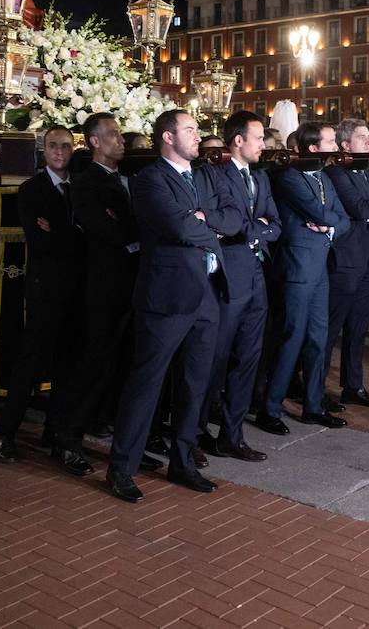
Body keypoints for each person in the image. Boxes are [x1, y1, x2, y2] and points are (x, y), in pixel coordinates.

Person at [105, 110, 224, 503]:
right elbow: (178, 227)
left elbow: (233, 215)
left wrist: (203, 220)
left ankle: (183, 461)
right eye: (189, 130)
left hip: (207, 292)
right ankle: (122, 468)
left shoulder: (203, 175)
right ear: (168, 138)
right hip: (167, 296)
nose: (197, 136)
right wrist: (205, 223)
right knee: (146, 383)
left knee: (195, 383)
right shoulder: (150, 180)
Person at [53, 113, 139, 477]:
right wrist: (132, 233)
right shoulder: (86, 184)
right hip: (103, 288)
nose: (121, 140)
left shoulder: (130, 178)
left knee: (122, 366)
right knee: (92, 365)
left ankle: (113, 434)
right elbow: (108, 231)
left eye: (120, 134)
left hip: (132, 285)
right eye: (113, 134)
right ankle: (67, 442)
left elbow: (132, 224)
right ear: (94, 142)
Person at [0, 126, 84, 464]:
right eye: (52, 146)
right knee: (31, 361)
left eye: (65, 146)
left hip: (76, 289)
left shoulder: (79, 186)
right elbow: (41, 241)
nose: (59, 152)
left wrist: (64, 232)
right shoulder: (32, 189)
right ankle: (6, 433)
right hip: (45, 289)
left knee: (67, 363)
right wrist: (75, 234)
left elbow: (89, 236)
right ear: (43, 151)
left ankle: (55, 429)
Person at [197, 111, 280, 462]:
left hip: (257, 278)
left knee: (249, 357)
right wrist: (249, 228)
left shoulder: (260, 178)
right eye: (259, 138)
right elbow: (221, 223)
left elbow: (275, 225)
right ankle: (196, 432)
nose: (264, 145)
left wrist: (250, 228)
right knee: (215, 359)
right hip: (227, 277)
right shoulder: (215, 175)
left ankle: (232, 435)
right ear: (238, 141)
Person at [259, 121, 350, 436]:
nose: (335, 145)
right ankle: (269, 408)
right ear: (313, 148)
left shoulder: (324, 176)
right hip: (297, 268)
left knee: (318, 340)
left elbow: (343, 219)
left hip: (320, 268)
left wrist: (329, 226)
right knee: (291, 337)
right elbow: (325, 213)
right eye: (329, 141)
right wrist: (329, 221)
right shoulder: (289, 178)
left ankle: (314, 406)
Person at [324, 119, 369, 409]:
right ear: (345, 145)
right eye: (363, 137)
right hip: (344, 259)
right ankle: (314, 389)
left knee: (359, 327)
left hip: (368, 259)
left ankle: (353, 386)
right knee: (331, 328)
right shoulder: (335, 172)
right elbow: (358, 208)